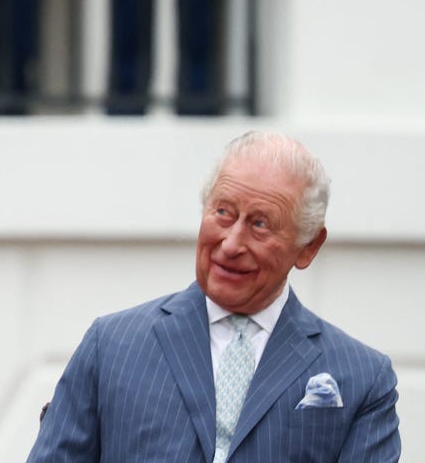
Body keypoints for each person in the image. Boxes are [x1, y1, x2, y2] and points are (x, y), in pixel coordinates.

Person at [27, 131, 400, 462]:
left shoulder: (362, 379)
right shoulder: (111, 347)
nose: (231, 243)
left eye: (259, 224)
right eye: (223, 212)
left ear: (308, 247)